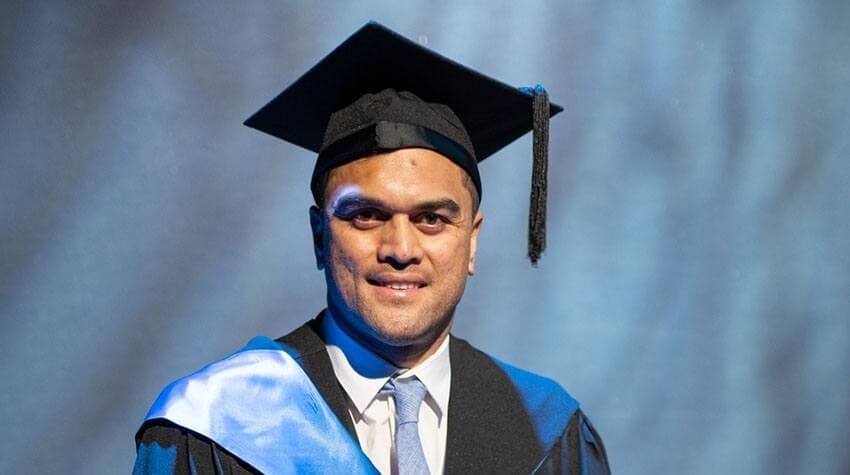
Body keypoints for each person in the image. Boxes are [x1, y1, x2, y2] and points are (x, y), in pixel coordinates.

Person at [134, 22, 610, 474]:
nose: (400, 249)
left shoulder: (548, 432)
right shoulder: (220, 426)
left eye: (431, 219)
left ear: (472, 241)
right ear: (320, 236)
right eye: (366, 215)